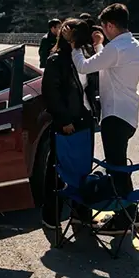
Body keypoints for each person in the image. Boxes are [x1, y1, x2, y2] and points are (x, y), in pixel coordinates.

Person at [70, 3, 139, 235]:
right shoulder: (135, 46)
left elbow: (84, 66)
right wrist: (101, 43)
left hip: (114, 116)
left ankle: (125, 219)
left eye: (104, 26)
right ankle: (132, 215)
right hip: (129, 114)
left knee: (116, 169)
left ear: (110, 25)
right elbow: (108, 59)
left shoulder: (116, 49)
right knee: (120, 165)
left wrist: (74, 46)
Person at [40, 18, 97, 229]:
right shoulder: (56, 60)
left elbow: (92, 88)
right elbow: (51, 94)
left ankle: (81, 214)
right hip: (66, 121)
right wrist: (63, 120)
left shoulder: (85, 57)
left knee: (83, 168)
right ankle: (50, 215)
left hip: (85, 119)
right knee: (57, 169)